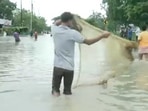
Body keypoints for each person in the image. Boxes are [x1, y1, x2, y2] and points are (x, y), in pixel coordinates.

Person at [51, 12, 110, 96]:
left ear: (62, 20)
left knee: (55, 91)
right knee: (67, 93)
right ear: (69, 21)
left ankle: (56, 106)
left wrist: (64, 18)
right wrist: (102, 36)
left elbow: (56, 22)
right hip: (69, 68)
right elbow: (88, 42)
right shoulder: (73, 33)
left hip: (57, 66)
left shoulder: (54, 29)